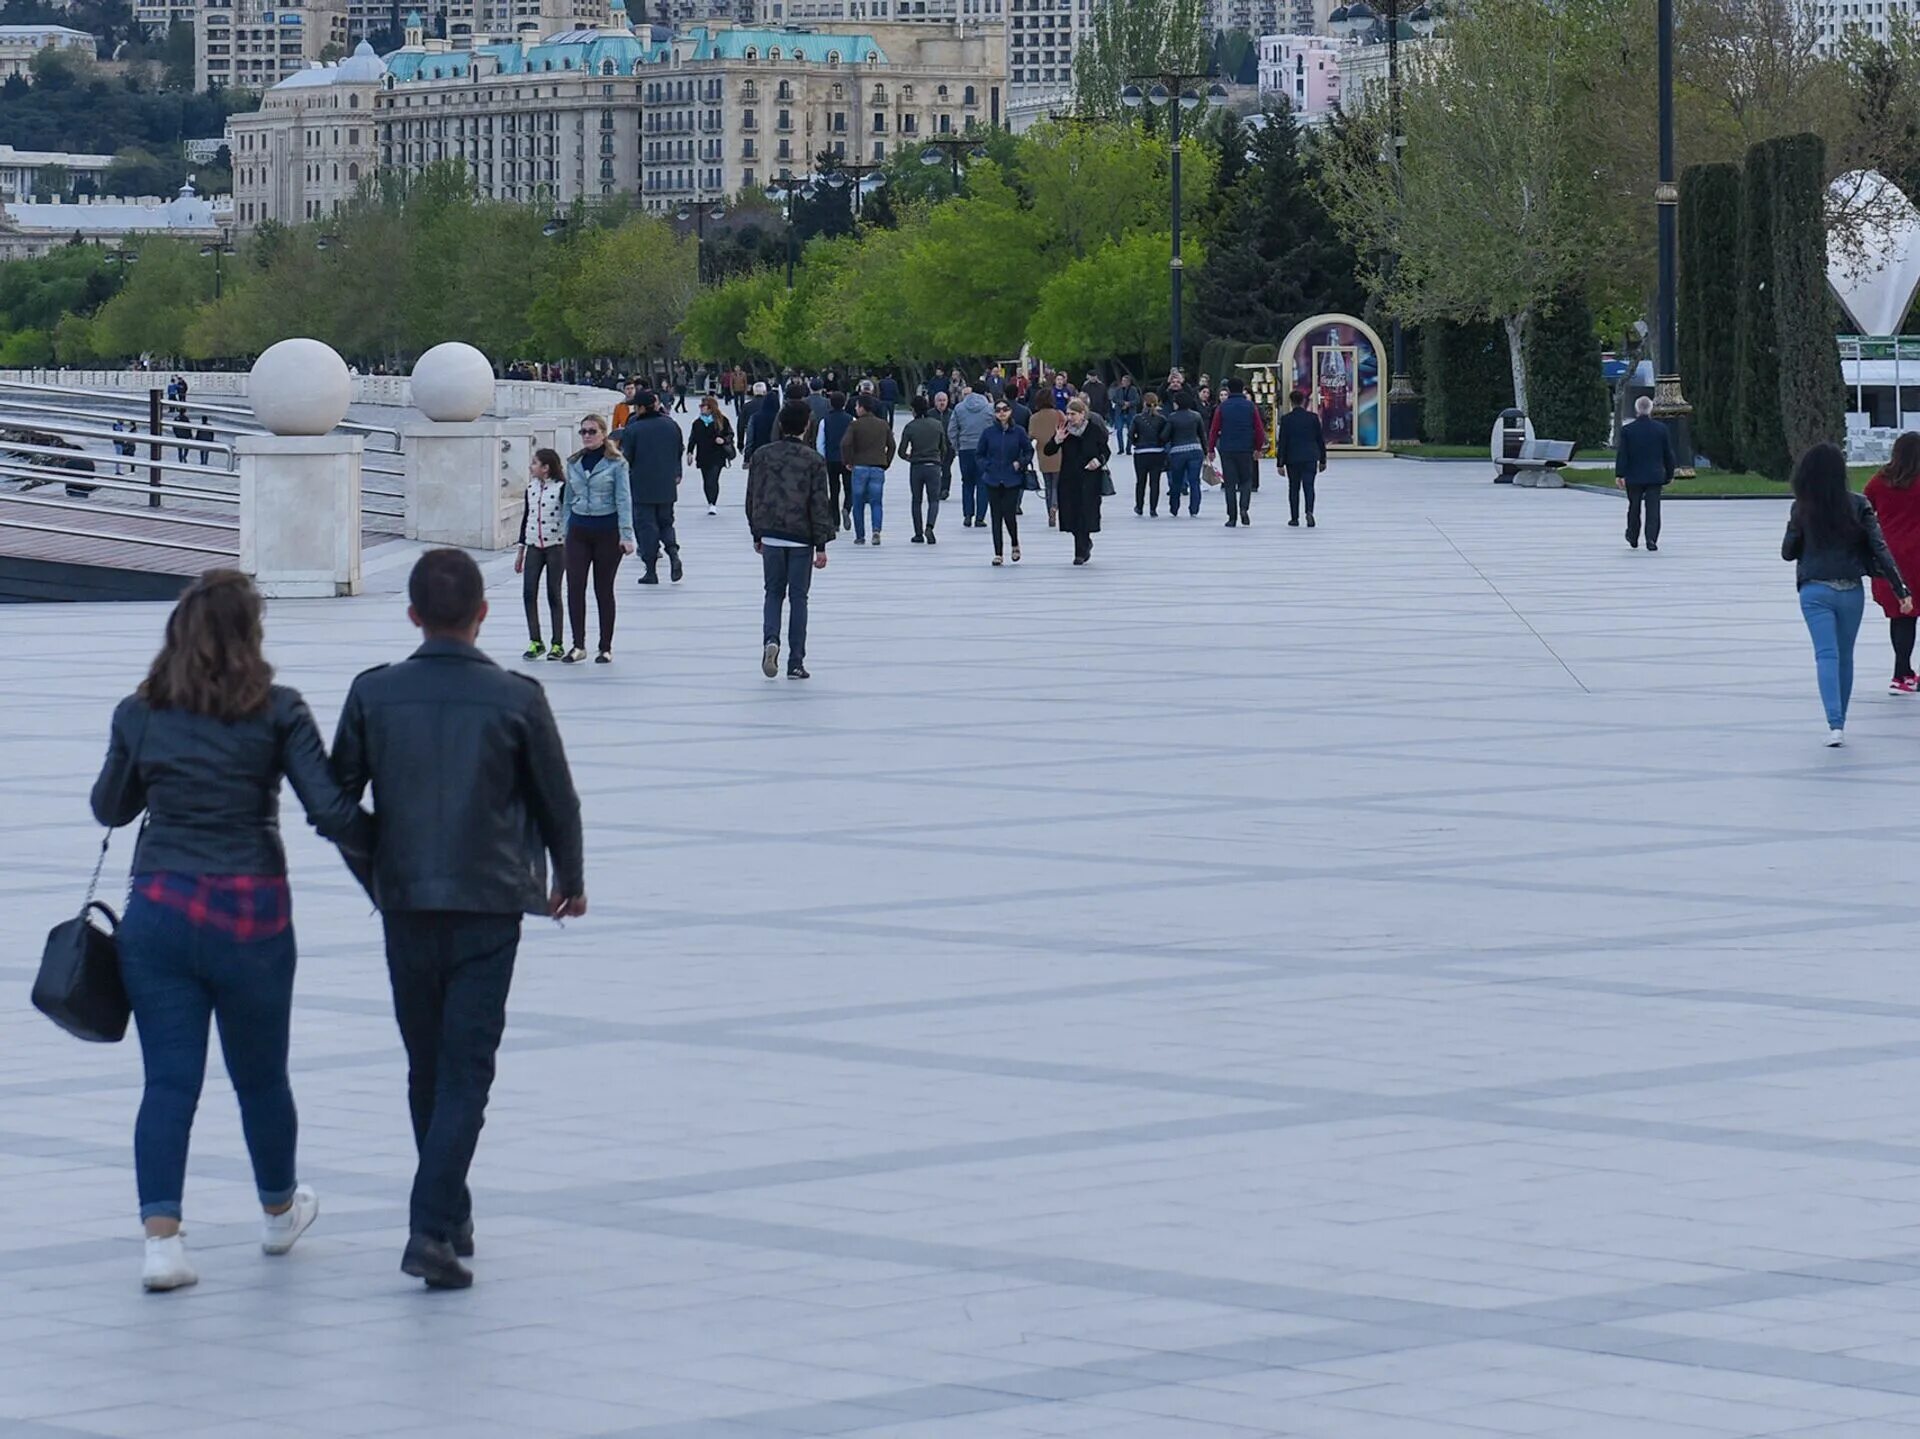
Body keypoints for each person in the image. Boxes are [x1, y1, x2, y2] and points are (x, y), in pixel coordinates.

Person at [90, 570, 370, 1292]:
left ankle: (163, 1243)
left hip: (159, 910)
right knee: (261, 1075)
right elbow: (331, 810)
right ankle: (279, 1212)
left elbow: (109, 807)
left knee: (169, 1080)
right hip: (252, 913)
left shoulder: (140, 709)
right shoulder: (278, 709)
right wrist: (397, 863)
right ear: (253, 632)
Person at [332, 549, 585, 1290]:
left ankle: (451, 1210)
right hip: (488, 904)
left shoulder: (373, 693)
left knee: (428, 1064)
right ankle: (428, 1227)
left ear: (412, 615)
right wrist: (569, 879)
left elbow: (340, 802)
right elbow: (557, 800)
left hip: (407, 903)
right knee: (467, 1068)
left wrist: (376, 869)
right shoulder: (517, 697)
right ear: (483, 613)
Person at [1784, 442, 1913, 746]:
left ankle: (1834, 723)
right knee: (1844, 656)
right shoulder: (1857, 504)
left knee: (1825, 655)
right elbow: (1879, 548)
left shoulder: (1802, 507)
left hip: (1814, 589)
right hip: (1850, 590)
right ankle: (1839, 717)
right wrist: (1901, 589)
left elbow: (1788, 552)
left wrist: (1797, 529)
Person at [747, 400, 836, 679]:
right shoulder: (813, 460)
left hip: (772, 535)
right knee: (799, 598)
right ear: (807, 425)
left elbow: (753, 497)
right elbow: (820, 504)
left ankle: (770, 640)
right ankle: (795, 662)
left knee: (773, 593)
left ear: (781, 424)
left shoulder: (762, 455)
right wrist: (820, 545)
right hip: (801, 538)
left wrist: (757, 533)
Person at [561, 414, 634, 664]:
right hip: (579, 531)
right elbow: (568, 499)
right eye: (583, 432)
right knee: (574, 587)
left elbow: (624, 499)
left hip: (607, 531)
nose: (587, 436)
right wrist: (565, 530)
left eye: (592, 431)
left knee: (603, 589)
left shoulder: (616, 463)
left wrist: (626, 535)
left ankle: (605, 646)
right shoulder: (574, 463)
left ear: (603, 433)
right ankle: (578, 644)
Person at [1866, 432, 1920, 694]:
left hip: (1889, 560)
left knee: (1901, 616)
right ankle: (1904, 675)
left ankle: (1902, 672)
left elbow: (1864, 509)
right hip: (1918, 556)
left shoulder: (1879, 481)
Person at [617, 390, 684, 585]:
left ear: (641, 407)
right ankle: (673, 553)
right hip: (666, 484)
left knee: (647, 528)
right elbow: (679, 450)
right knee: (666, 522)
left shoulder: (633, 429)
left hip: (641, 486)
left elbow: (626, 458)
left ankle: (651, 570)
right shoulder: (671, 425)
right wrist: (676, 473)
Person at [515, 447, 568, 661]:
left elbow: (567, 517)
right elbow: (526, 517)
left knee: (553, 593)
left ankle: (557, 643)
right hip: (534, 546)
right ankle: (535, 640)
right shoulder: (531, 488)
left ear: (546, 468)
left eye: (535, 463)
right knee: (529, 592)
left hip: (556, 546)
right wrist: (521, 551)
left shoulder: (562, 488)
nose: (531, 466)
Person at [1047, 396, 1111, 566]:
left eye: (1073, 414)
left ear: (1083, 414)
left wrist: (1098, 461)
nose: (1069, 417)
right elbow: (1048, 451)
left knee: (1085, 514)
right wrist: (1057, 440)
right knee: (1072, 515)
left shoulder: (1094, 429)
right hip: (1069, 479)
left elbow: (1105, 451)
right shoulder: (1064, 431)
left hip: (1089, 479)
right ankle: (1083, 544)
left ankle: (1080, 551)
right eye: (1068, 414)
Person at [1614, 394, 1677, 551]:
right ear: (1651, 409)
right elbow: (1668, 454)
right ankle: (1651, 539)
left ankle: (1632, 535)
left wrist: (1620, 474)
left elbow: (1623, 454)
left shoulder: (1627, 430)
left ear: (1636, 410)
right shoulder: (1661, 429)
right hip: (1655, 476)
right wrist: (1670, 474)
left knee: (1634, 507)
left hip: (1634, 476)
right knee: (1653, 508)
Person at [977, 397, 1034, 566]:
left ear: (1010, 412)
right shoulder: (988, 433)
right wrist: (987, 466)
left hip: (1012, 479)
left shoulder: (1019, 432)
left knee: (1009, 514)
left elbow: (1028, 450)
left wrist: (1020, 463)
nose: (1001, 413)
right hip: (992, 478)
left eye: (1004, 409)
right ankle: (998, 553)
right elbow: (979, 454)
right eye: (998, 410)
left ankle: (1015, 542)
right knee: (996, 516)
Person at [1208, 377, 1268, 524]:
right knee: (1246, 480)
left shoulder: (1222, 407)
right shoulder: (1250, 406)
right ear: (1242, 389)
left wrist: (1210, 449)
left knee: (1229, 483)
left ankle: (1232, 516)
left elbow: (1214, 429)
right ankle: (1244, 508)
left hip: (1227, 448)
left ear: (1228, 390)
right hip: (1246, 448)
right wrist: (1258, 448)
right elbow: (1259, 429)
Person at [841, 393, 895, 545]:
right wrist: (886, 462)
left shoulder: (855, 425)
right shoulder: (883, 424)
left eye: (857, 406)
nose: (856, 409)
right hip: (878, 467)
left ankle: (860, 535)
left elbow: (845, 444)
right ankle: (876, 530)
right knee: (876, 502)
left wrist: (848, 461)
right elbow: (892, 445)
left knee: (858, 503)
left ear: (863, 408)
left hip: (860, 467)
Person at [900, 393, 950, 544]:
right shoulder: (937, 424)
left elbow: (901, 451)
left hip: (917, 466)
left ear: (913, 410)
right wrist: (938, 460)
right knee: (933, 500)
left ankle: (918, 533)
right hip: (933, 465)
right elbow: (944, 448)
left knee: (917, 500)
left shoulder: (910, 427)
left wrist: (910, 457)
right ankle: (930, 526)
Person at [1276, 390, 1327, 530]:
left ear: (1291, 402)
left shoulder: (1286, 419)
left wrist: (1280, 463)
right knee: (1309, 486)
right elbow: (1320, 440)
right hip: (1310, 456)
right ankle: (1309, 511)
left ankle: (1294, 517)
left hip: (1292, 458)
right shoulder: (1313, 418)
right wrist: (1323, 459)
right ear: (1303, 401)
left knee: (1294, 488)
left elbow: (1283, 442)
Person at [948, 384, 995, 528]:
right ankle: (980, 517)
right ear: (985, 393)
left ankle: (968, 515)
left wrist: (957, 445)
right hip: (984, 450)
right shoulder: (989, 408)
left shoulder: (959, 408)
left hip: (965, 449)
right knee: (983, 483)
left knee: (967, 483)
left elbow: (952, 430)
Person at [686, 393, 735, 516]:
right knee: (706, 480)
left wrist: (723, 440)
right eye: (701, 406)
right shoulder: (697, 423)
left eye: (703, 406)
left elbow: (730, 434)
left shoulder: (722, 420)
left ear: (710, 407)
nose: (701, 408)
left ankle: (713, 503)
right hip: (703, 455)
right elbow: (693, 439)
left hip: (717, 455)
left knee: (713, 479)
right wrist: (690, 452)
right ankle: (709, 501)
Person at [1162, 396, 1207, 521]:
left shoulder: (1172, 417)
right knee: (1194, 481)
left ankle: (1174, 507)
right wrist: (1206, 450)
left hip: (1178, 452)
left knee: (1176, 481)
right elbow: (1202, 434)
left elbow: (1165, 436)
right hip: (1195, 450)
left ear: (1177, 404)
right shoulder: (1196, 416)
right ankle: (1194, 508)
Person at [1029, 389, 1064, 529]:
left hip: (1043, 453)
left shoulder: (1034, 418)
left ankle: (1049, 507)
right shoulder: (1059, 415)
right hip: (1059, 452)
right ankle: (1055, 506)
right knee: (1057, 483)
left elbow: (1031, 436)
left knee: (1048, 484)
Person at [1131, 392, 1168, 516]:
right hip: (1157, 452)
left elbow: (1130, 434)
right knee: (1155, 482)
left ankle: (1139, 506)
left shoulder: (1137, 418)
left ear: (1143, 403)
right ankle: (1153, 509)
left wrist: (1136, 443)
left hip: (1141, 452)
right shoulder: (1162, 419)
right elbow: (1165, 435)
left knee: (1140, 481)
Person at [822, 391, 855, 526]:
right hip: (847, 458)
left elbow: (821, 442)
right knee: (849, 487)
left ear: (830, 403)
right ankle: (847, 508)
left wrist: (823, 457)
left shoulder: (825, 420)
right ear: (844, 403)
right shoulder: (851, 420)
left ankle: (835, 522)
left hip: (831, 459)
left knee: (834, 489)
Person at [742, 382, 777, 460]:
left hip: (757, 450)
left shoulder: (749, 410)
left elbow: (748, 436)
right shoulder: (779, 416)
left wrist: (746, 454)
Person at [931, 388, 955, 499]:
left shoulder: (952, 414)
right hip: (934, 447)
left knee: (946, 468)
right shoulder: (929, 414)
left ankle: (945, 490)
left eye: (944, 400)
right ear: (935, 402)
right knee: (935, 470)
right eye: (939, 400)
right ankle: (935, 489)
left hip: (948, 446)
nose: (942, 403)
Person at [1111, 374, 1139, 455]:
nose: (1123, 382)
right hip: (1120, 412)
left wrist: (1129, 404)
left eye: (1125, 381)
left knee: (1130, 431)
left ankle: (1128, 448)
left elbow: (1137, 400)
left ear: (1129, 382)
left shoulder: (1133, 390)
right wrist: (1123, 403)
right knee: (1119, 430)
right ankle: (1121, 448)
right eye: (1122, 381)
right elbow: (1114, 398)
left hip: (1130, 413)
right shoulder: (1118, 389)